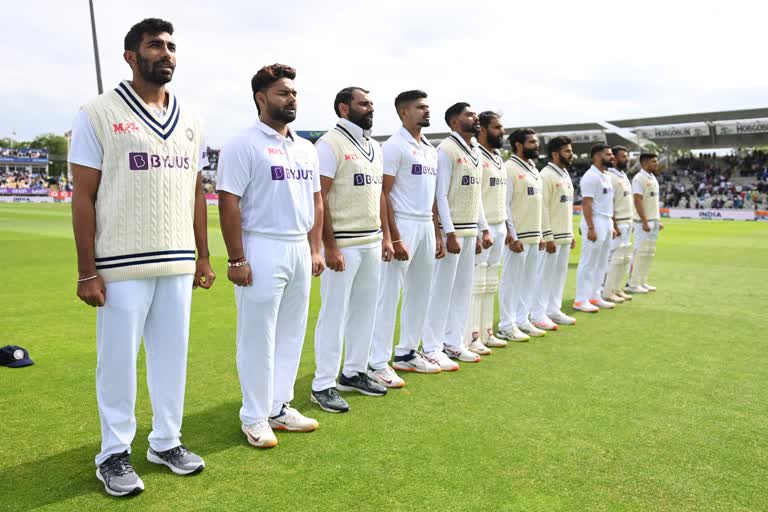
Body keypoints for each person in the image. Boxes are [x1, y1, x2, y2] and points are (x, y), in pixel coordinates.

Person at [69, 18, 213, 496]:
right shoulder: (96, 112)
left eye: (172, 45)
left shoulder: (191, 118)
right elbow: (83, 197)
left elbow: (196, 190)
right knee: (118, 362)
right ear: (131, 56)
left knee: (171, 359)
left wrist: (204, 257)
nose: (167, 53)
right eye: (156, 45)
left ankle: (166, 442)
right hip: (121, 263)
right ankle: (113, 454)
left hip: (177, 262)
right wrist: (87, 271)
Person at [217, 63, 324, 449]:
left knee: (292, 332)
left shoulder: (306, 147)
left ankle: (279, 406)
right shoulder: (243, 144)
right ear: (261, 98)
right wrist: (236, 258)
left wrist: (314, 248)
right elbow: (228, 201)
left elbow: (316, 200)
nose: (291, 98)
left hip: (298, 246)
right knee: (258, 336)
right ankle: (254, 416)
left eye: (294, 92)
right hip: (261, 245)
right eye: (283, 92)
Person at [311, 87, 392, 413]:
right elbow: (320, 198)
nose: (370, 108)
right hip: (342, 245)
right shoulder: (329, 144)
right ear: (344, 108)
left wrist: (386, 237)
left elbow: (379, 197)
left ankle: (354, 371)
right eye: (364, 103)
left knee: (366, 310)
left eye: (372, 103)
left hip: (371, 241)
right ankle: (323, 384)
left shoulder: (375, 146)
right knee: (334, 314)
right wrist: (328, 245)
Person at [368, 90, 442, 388]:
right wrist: (393, 237)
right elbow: (382, 194)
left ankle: (407, 352)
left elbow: (433, 195)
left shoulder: (430, 149)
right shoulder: (394, 147)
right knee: (389, 295)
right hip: (403, 224)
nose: (426, 112)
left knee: (420, 291)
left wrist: (436, 231)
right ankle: (376, 362)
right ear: (404, 113)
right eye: (420, 108)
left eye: (427, 107)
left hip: (425, 223)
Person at [422, 102, 492, 371]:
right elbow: (439, 194)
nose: (475, 118)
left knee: (462, 289)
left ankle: (453, 341)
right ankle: (431, 346)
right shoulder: (446, 150)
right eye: (468, 115)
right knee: (441, 290)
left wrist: (483, 228)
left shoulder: (475, 150)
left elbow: (476, 197)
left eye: (474, 114)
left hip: (469, 230)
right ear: (453, 122)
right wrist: (448, 233)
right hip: (452, 233)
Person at [464, 111, 508, 354]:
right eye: (497, 127)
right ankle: (470, 336)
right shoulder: (475, 154)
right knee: (475, 283)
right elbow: (476, 196)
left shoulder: (498, 157)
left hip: (499, 225)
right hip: (484, 227)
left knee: (490, 282)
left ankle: (485, 331)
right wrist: (482, 229)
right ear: (483, 129)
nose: (501, 131)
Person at [497, 129, 546, 341]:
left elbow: (538, 205)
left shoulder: (535, 169)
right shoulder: (508, 168)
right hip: (518, 235)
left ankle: (522, 319)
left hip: (534, 234)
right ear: (518, 144)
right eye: (532, 142)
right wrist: (512, 234)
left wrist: (542, 233)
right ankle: (506, 324)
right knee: (511, 281)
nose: (537, 146)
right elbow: (504, 204)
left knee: (528, 280)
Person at [530, 136, 577, 327]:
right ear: (555, 154)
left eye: (571, 151)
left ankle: (553, 309)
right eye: (567, 151)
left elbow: (567, 207)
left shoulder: (565, 174)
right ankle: (537, 314)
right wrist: (547, 236)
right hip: (552, 237)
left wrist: (571, 233)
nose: (571, 154)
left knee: (559, 275)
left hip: (564, 235)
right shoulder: (546, 175)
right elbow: (543, 208)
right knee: (545, 275)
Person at [573, 144, 615, 312]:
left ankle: (594, 295)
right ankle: (580, 299)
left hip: (607, 220)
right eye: (608, 154)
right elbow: (586, 203)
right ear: (597, 156)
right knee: (588, 262)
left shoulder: (606, 175)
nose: (612, 157)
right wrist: (590, 227)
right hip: (595, 220)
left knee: (601, 262)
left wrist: (612, 224)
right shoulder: (590, 176)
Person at [627, 153, 663, 293]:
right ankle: (632, 283)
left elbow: (652, 202)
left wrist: (657, 220)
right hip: (643, 222)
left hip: (653, 221)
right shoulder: (639, 178)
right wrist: (644, 221)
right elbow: (637, 200)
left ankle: (642, 281)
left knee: (648, 253)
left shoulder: (653, 178)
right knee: (639, 252)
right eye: (654, 161)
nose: (656, 164)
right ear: (645, 162)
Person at [602, 146, 634, 303]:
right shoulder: (610, 176)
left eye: (627, 156)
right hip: (618, 223)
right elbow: (610, 203)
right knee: (613, 258)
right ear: (613, 158)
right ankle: (607, 290)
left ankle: (617, 288)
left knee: (623, 259)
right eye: (623, 156)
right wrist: (613, 224)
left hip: (627, 221)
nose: (626, 159)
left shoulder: (623, 175)